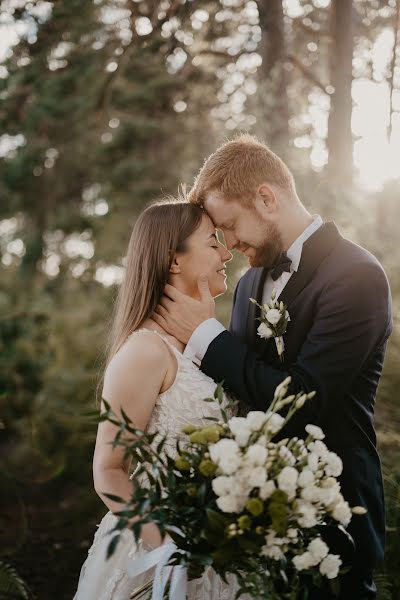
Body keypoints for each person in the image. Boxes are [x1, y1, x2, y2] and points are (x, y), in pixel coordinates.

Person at [153, 135, 393, 599]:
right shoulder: (246, 287)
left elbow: (303, 398)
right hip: (249, 518)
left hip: (333, 515)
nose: (230, 243)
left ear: (266, 198)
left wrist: (204, 334)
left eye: (230, 225)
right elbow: (242, 389)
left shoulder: (356, 276)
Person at [73, 199, 239, 600]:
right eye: (212, 241)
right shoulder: (146, 351)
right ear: (174, 260)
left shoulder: (203, 348)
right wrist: (171, 548)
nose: (226, 252)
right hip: (158, 560)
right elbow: (109, 471)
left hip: (220, 558)